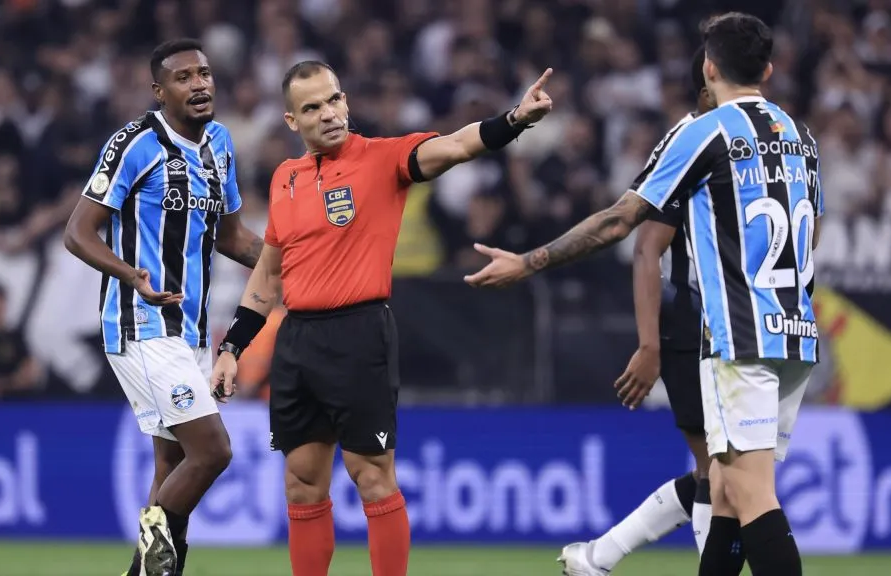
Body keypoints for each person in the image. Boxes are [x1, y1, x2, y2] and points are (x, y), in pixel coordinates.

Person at [464, 13, 821, 576]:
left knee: (752, 495)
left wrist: (530, 262)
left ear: (709, 66)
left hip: (739, 336)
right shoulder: (800, 137)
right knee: (724, 489)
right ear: (769, 70)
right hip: (795, 334)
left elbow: (618, 222)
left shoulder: (703, 132)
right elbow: (813, 235)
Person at [210, 60, 553, 576]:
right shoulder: (286, 179)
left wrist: (515, 119)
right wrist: (233, 348)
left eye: (334, 100)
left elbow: (457, 146)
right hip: (298, 340)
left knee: (371, 475)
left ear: (345, 100)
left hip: (360, 333)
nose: (328, 114)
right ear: (290, 122)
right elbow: (266, 277)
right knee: (301, 480)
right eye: (312, 107)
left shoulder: (381, 159)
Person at [63, 38, 264, 576]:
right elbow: (77, 233)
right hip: (140, 322)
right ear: (159, 91)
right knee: (214, 451)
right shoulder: (135, 143)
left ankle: (153, 572)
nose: (199, 84)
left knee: (173, 462)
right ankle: (149, 549)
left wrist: (293, 262)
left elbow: (233, 237)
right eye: (183, 77)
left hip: (191, 330)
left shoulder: (220, 144)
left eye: (204, 73)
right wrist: (133, 277)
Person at [557, 45, 717, 576]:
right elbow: (646, 246)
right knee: (720, 473)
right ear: (709, 83)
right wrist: (650, 345)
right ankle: (601, 558)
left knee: (720, 474)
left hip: (740, 329)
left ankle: (598, 557)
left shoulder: (763, 140)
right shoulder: (692, 141)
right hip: (693, 325)